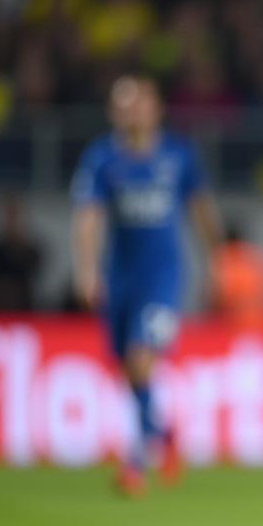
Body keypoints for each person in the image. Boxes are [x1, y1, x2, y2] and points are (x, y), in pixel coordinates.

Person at [71, 75, 221, 495]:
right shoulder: (102, 160)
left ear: (155, 108)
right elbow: (88, 217)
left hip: (163, 281)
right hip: (121, 280)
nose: (129, 112)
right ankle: (163, 433)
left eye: (137, 103)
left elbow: (201, 210)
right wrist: (86, 270)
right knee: (126, 369)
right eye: (122, 105)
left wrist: (215, 262)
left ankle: (135, 463)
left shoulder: (178, 155)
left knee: (141, 360)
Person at [0, 195, 43, 311]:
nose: (11, 221)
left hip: (27, 310)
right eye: (8, 216)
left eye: (15, 216)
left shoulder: (33, 251)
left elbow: (34, 278)